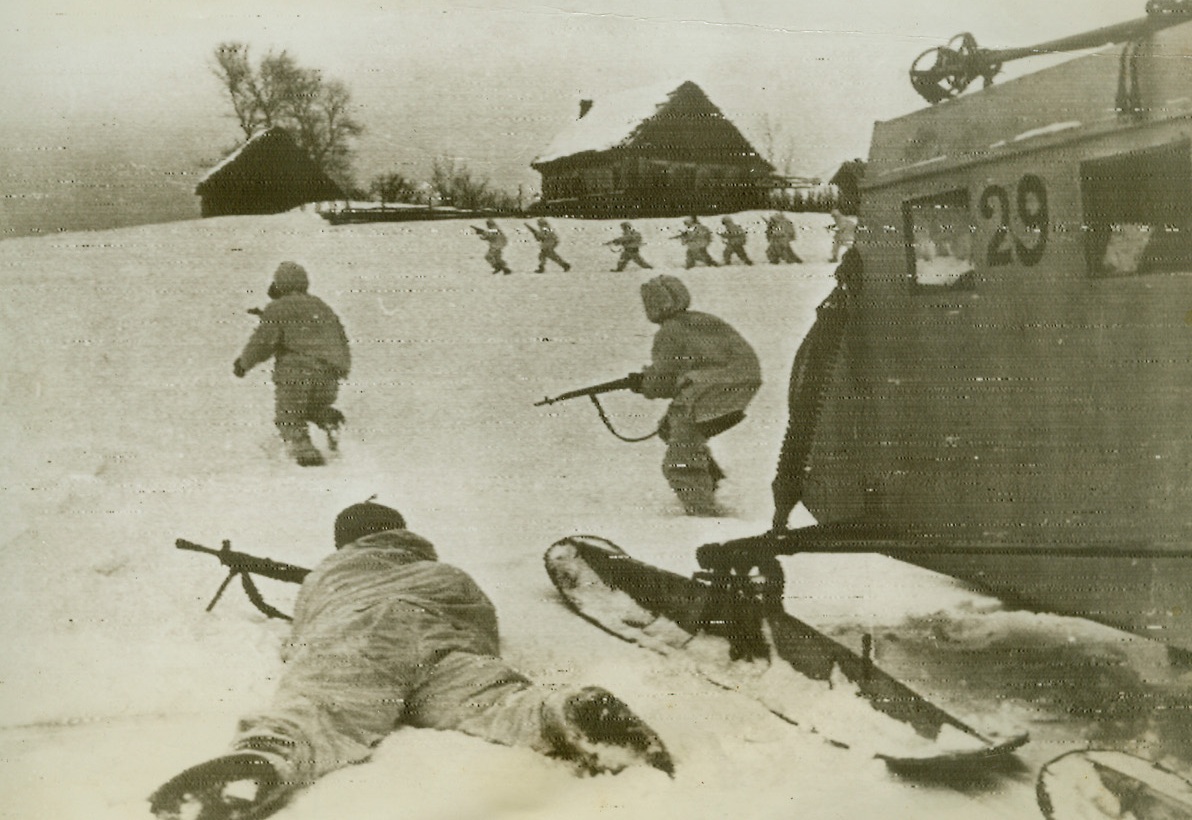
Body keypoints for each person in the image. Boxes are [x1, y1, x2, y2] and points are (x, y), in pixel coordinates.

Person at [149, 502, 674, 820]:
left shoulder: (331, 572)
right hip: (441, 640)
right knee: (492, 699)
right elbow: (480, 623)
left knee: (321, 708)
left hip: (362, 637)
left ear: (345, 541)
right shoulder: (444, 572)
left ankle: (266, 760)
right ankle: (557, 714)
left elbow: (306, 632)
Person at [633, 275, 761, 516]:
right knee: (670, 429)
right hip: (742, 383)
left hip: (710, 390)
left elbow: (663, 379)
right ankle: (712, 483)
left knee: (681, 456)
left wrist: (643, 383)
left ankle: (702, 511)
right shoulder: (704, 320)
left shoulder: (669, 331)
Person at [234, 262, 350, 467]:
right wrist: (339, 368)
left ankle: (305, 453)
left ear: (278, 284)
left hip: (297, 374)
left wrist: (243, 364)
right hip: (330, 374)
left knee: (289, 415)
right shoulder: (322, 306)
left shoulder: (278, 308)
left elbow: (263, 342)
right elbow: (341, 338)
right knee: (314, 406)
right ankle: (329, 420)